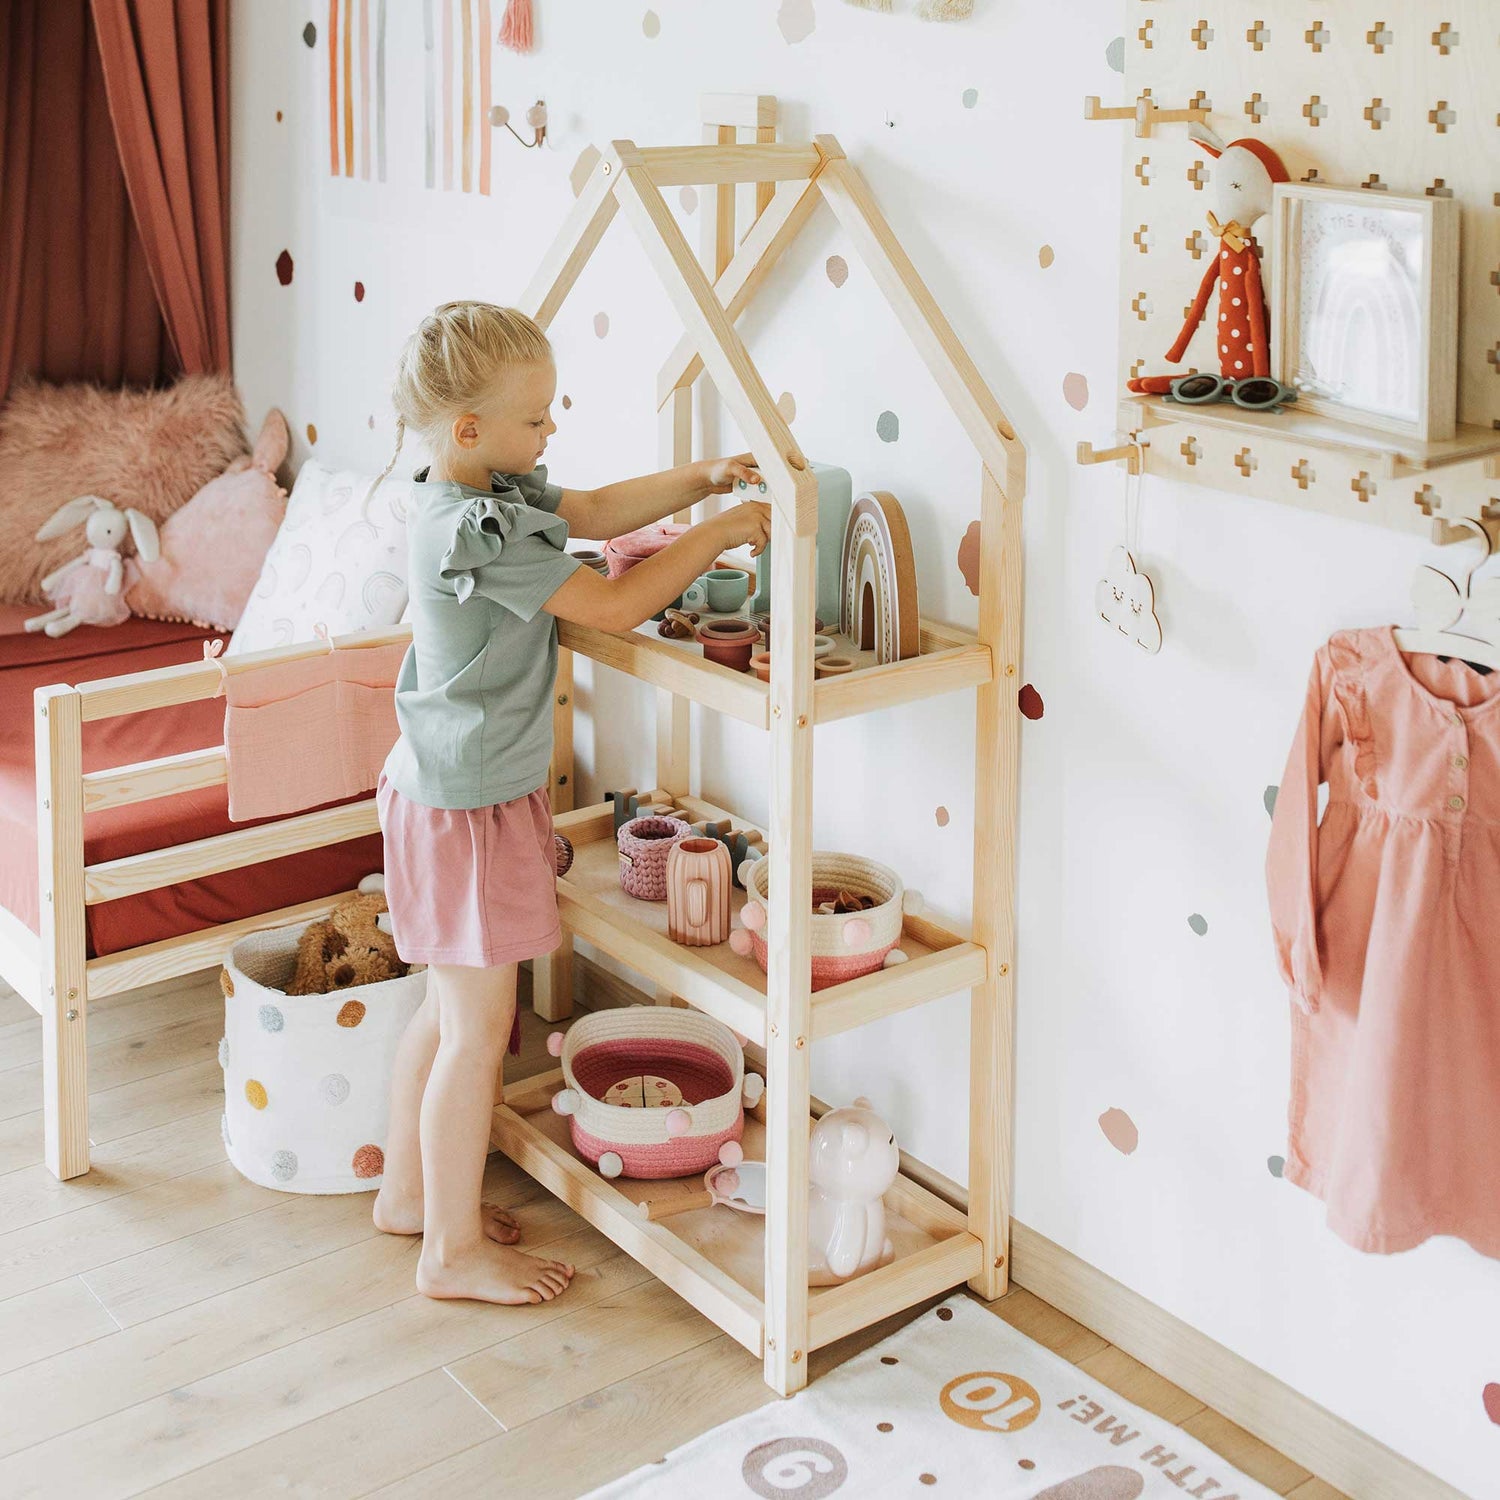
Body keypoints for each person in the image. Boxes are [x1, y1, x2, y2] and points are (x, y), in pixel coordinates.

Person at [364, 301, 771, 1304]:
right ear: (469, 429)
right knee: (475, 1028)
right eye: (536, 419)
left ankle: (411, 1197)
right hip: (468, 811)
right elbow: (615, 602)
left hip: (439, 794)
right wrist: (717, 533)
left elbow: (589, 509)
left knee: (445, 1009)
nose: (551, 435)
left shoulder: (478, 490)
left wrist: (696, 479)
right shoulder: (479, 531)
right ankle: (449, 1252)